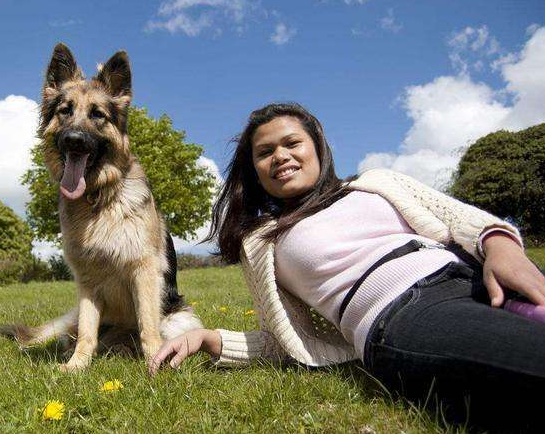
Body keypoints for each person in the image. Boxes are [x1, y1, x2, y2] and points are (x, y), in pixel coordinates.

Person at [148, 102, 545, 409]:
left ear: (317, 148)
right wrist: (209, 338)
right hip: (402, 313)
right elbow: (282, 339)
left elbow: (459, 217)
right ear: (255, 171)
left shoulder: (376, 182)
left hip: (476, 276)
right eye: (265, 152)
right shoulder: (263, 243)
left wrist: (502, 247)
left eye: (292, 143)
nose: (280, 156)